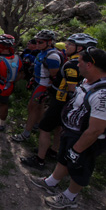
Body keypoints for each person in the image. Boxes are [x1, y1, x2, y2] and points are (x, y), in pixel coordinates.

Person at [30, 47, 106, 209]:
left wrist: (77, 149)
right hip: (72, 131)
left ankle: (70, 197)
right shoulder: (87, 82)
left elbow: (96, 129)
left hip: (86, 138)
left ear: (90, 65)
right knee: (64, 158)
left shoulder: (102, 95)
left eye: (79, 62)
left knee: (79, 167)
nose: (76, 65)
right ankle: (51, 182)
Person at [20, 33, 97, 169]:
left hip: (61, 101)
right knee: (59, 128)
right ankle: (53, 151)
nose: (66, 45)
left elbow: (73, 89)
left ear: (79, 48)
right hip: (68, 104)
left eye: (71, 44)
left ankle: (39, 160)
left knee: (44, 128)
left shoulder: (73, 65)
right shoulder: (83, 64)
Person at [12, 29, 62, 142]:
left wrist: (47, 88)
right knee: (38, 107)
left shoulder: (52, 56)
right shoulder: (42, 52)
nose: (37, 44)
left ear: (49, 42)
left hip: (43, 85)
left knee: (32, 107)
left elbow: (54, 76)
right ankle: (36, 125)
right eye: (37, 41)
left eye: (41, 42)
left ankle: (26, 133)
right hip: (38, 82)